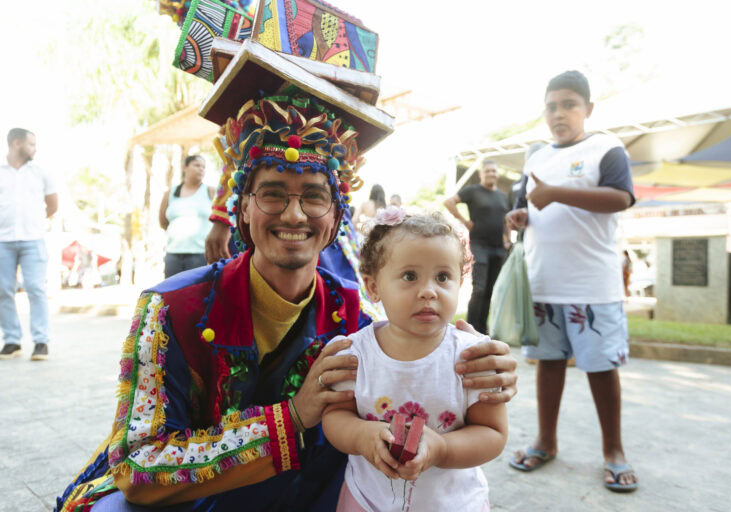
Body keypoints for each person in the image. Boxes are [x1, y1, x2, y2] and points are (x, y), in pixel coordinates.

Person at [55, 93, 519, 512]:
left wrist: (477, 355)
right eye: (273, 195)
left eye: (314, 199)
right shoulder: (173, 307)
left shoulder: (352, 313)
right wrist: (293, 415)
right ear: (243, 209)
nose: (294, 215)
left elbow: (419, 346)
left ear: (336, 219)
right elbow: (138, 468)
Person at [505, 70, 638, 492]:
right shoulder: (535, 156)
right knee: (547, 363)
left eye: (568, 105)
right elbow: (526, 207)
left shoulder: (607, 148)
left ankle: (613, 452)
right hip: (543, 282)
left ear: (588, 109)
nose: (558, 114)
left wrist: (559, 192)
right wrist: (519, 216)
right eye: (551, 106)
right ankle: (546, 441)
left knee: (601, 369)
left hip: (592, 285)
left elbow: (620, 198)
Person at [323, 209, 507, 511]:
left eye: (443, 277)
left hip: (452, 503)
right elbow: (334, 416)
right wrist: (360, 436)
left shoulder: (473, 357)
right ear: (373, 287)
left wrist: (442, 448)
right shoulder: (353, 354)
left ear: (460, 283)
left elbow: (493, 432)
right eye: (410, 276)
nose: (428, 291)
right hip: (368, 500)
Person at [0, 128, 57, 361]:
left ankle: (41, 341)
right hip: (3, 240)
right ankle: (12, 340)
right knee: (3, 290)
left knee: (36, 288)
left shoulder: (41, 173)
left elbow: (52, 204)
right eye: (31, 144)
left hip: (33, 239)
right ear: (16, 144)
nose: (34, 149)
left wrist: (36, 222)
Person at [444, 160, 510, 334]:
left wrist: (507, 238)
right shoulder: (473, 191)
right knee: (479, 288)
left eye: (494, 171)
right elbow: (449, 202)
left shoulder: (502, 196)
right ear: (481, 174)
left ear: (497, 174)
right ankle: (470, 328)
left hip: (498, 248)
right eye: (487, 171)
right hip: (479, 245)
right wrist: (464, 221)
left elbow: (506, 220)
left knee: (490, 289)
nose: (491, 174)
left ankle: (482, 329)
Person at [158, 155, 215, 278]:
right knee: (172, 293)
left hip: (200, 254)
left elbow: (220, 220)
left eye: (204, 167)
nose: (201, 169)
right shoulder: (170, 193)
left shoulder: (210, 191)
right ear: (185, 167)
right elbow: (163, 221)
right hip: (173, 255)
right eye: (197, 165)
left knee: (198, 295)